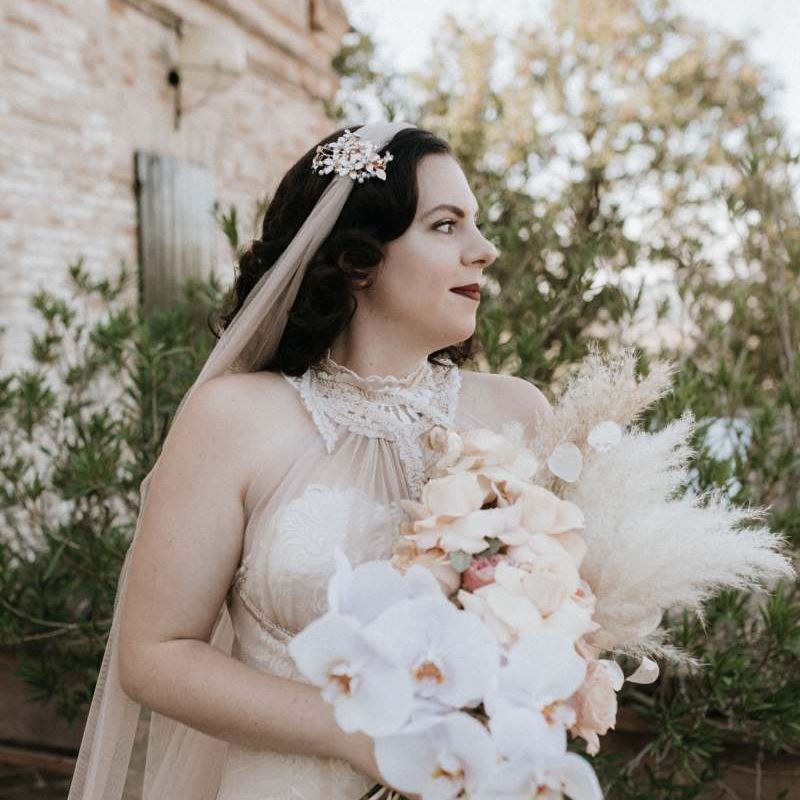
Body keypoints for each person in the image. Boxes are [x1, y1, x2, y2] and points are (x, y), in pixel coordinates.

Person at [66, 121, 554, 800]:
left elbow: (558, 628)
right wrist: (355, 734)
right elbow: (155, 656)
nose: (486, 250)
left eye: (475, 224)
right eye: (446, 226)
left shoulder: (516, 415)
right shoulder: (233, 420)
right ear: (356, 259)